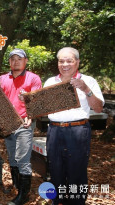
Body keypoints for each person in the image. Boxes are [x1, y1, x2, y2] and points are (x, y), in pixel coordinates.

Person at [44, 47, 104, 205]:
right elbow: (42, 107)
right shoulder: (50, 82)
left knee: (77, 172)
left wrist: (85, 89)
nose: (65, 64)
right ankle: (57, 202)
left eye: (69, 60)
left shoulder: (89, 80)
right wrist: (27, 100)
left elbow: (98, 108)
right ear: (57, 63)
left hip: (78, 131)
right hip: (54, 131)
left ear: (77, 62)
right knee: (55, 171)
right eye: (61, 61)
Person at [0, 48, 42, 205]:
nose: (16, 61)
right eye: (13, 59)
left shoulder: (33, 79)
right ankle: (17, 186)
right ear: (9, 62)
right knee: (12, 156)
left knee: (22, 158)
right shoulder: (2, 78)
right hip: (8, 122)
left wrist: (30, 112)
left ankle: (24, 195)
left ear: (25, 61)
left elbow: (37, 101)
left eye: (19, 59)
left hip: (24, 122)